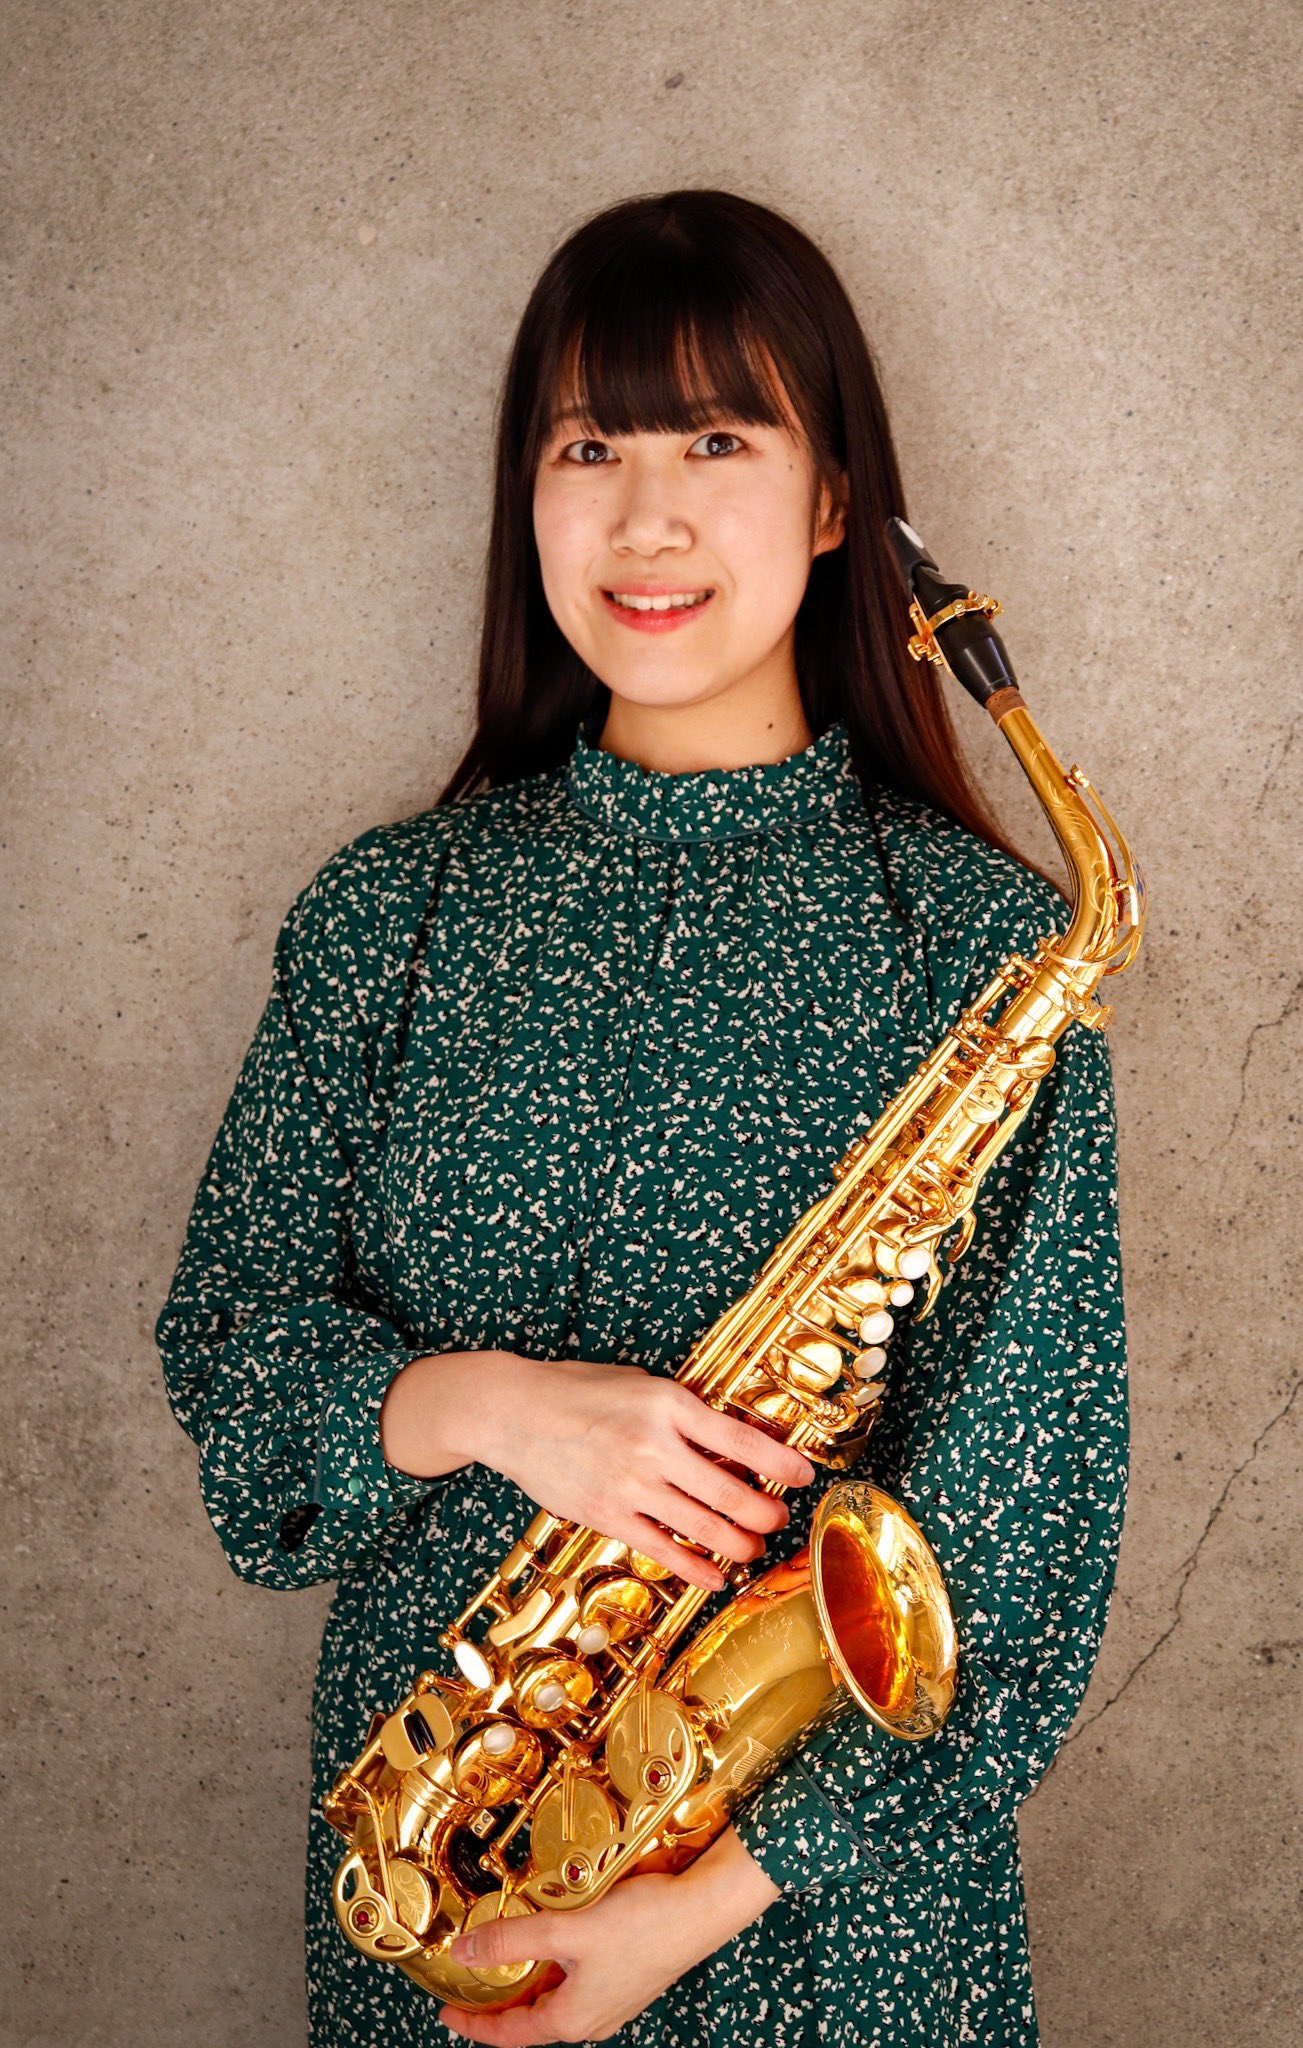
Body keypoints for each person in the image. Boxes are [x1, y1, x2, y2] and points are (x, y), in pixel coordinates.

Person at [155, 188, 1128, 2048]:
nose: (645, 517)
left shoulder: (984, 953)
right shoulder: (385, 916)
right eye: (588, 446)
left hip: (836, 1936)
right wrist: (493, 1408)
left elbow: (1026, 1528)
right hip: (449, 1879)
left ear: (834, 501)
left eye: (719, 441)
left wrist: (697, 1907)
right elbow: (232, 1365)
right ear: (524, 495)